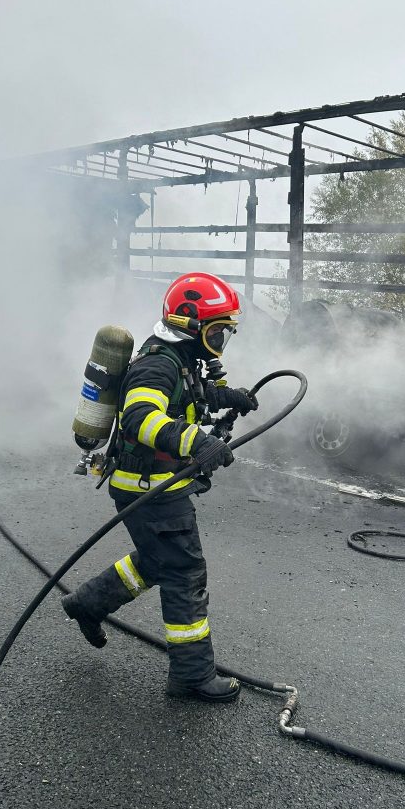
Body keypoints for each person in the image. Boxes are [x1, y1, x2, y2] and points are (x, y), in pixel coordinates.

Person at [62, 272, 258, 703]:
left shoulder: (179, 358)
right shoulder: (157, 363)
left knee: (157, 562)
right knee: (185, 570)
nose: (221, 339)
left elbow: (188, 395)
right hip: (149, 487)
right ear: (190, 324)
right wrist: (197, 441)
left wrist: (230, 397)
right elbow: (140, 417)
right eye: (217, 330)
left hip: (153, 484)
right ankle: (191, 675)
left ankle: (87, 603)